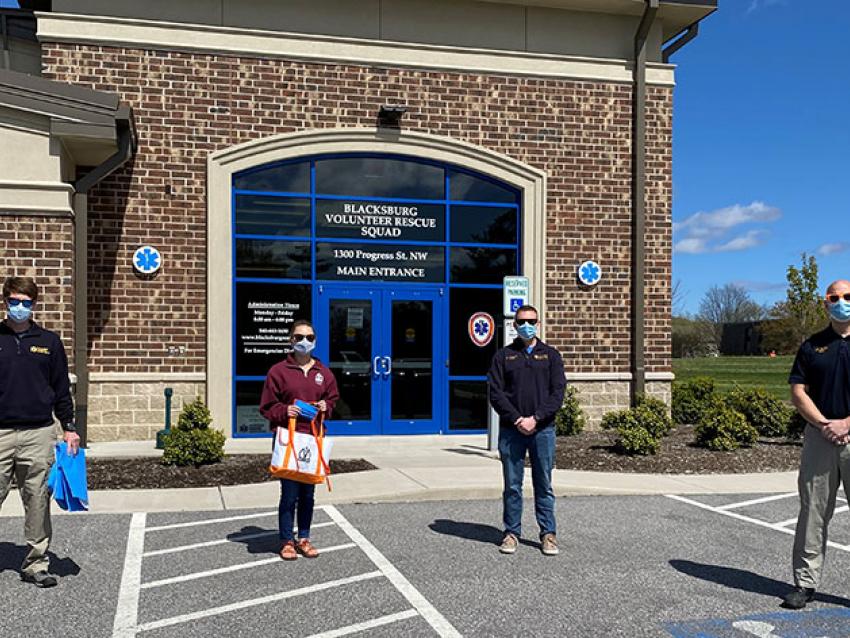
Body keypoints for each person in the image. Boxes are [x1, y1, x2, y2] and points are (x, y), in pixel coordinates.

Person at [0, 276, 79, 588]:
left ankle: (36, 564)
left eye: (26, 302)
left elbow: (61, 389)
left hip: (39, 434)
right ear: (5, 301)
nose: (20, 307)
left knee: (37, 500)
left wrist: (69, 428)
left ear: (34, 305)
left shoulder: (49, 342)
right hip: (1, 432)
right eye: (14, 301)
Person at [782, 279, 850, 609]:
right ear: (826, 304)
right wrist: (825, 424)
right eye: (834, 297)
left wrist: (847, 424)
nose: (841, 302)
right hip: (820, 438)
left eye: (847, 296)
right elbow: (798, 392)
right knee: (812, 514)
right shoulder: (812, 346)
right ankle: (805, 584)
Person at [487, 304, 566, 556]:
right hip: (512, 432)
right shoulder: (503, 356)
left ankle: (548, 534)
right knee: (512, 486)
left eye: (531, 320)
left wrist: (536, 418)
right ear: (514, 325)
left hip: (543, 431)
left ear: (538, 323)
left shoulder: (551, 355)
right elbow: (495, 393)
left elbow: (557, 393)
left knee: (544, 484)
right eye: (521, 321)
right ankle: (511, 533)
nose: (526, 325)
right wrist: (518, 419)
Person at [260, 319, 339, 561]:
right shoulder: (278, 372)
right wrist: (285, 411)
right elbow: (266, 407)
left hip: (313, 440)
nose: (304, 342)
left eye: (310, 338)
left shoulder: (323, 373)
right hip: (288, 440)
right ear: (290, 340)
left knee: (308, 494)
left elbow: (334, 400)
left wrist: (327, 406)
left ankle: (303, 537)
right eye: (299, 337)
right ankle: (286, 541)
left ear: (315, 341)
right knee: (289, 494)